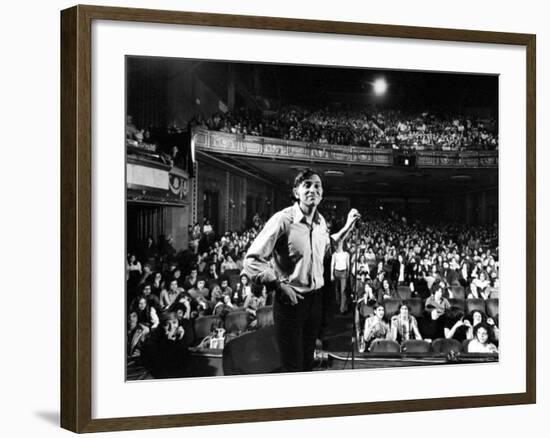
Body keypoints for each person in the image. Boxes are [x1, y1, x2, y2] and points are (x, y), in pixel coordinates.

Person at [243, 168, 360, 372]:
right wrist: (278, 286)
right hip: (291, 302)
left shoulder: (321, 221)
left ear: (322, 194)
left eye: (317, 186)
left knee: (307, 362)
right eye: (307, 185)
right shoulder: (283, 220)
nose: (312, 189)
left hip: (315, 302)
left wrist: (348, 226)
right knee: (292, 366)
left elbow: (328, 246)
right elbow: (251, 260)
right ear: (296, 192)